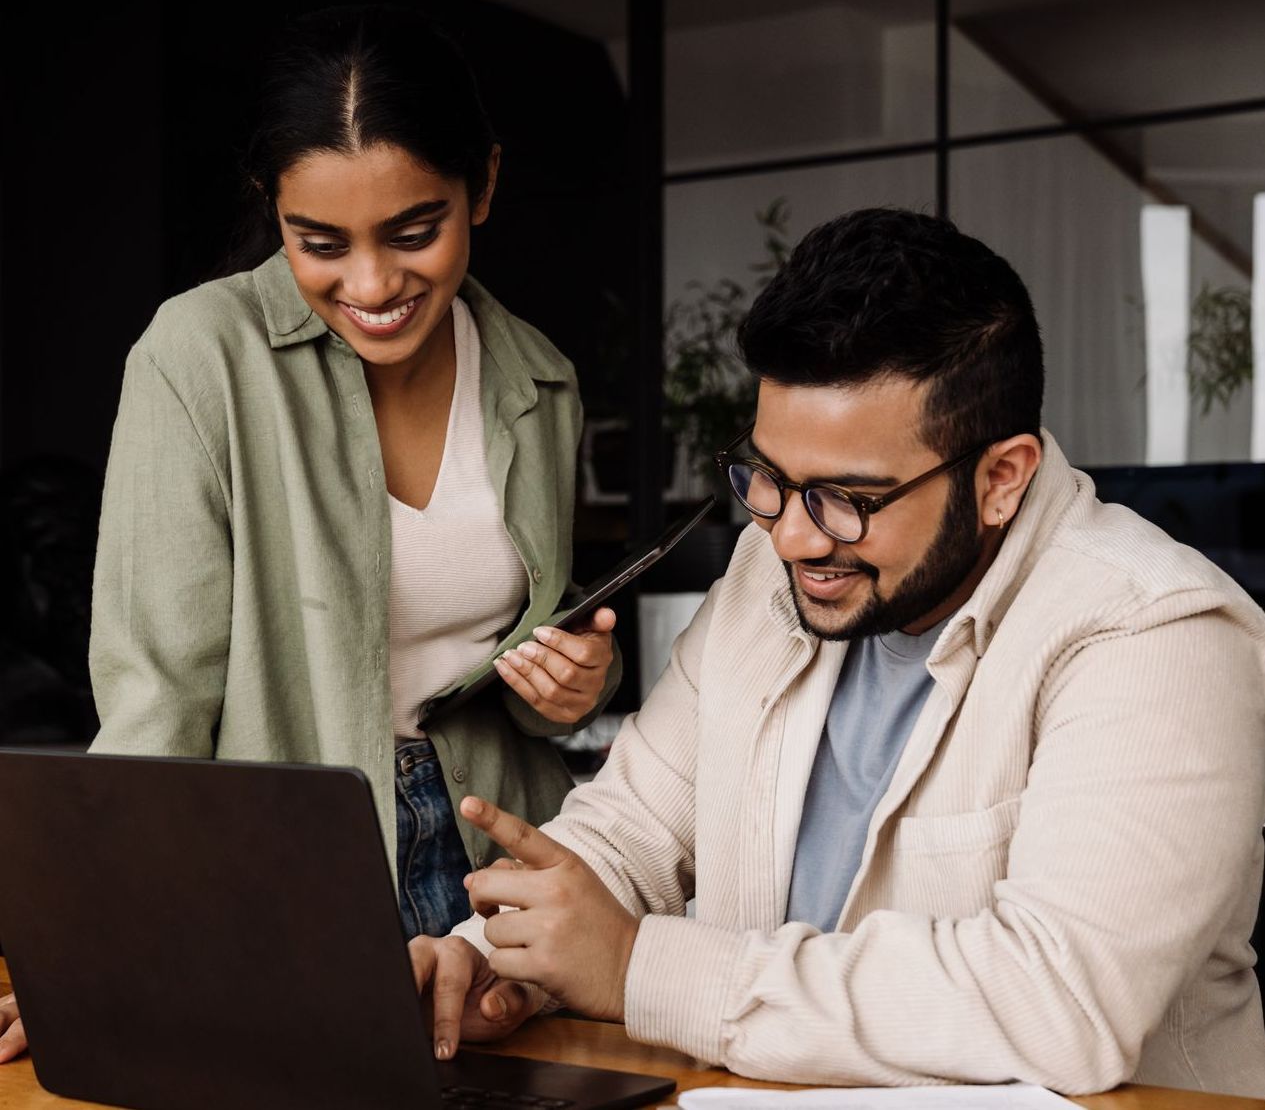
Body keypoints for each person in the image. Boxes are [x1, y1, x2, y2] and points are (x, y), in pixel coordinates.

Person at [407, 207, 1265, 1098]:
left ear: (1000, 478)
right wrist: (493, 959)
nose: (792, 540)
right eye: (769, 481)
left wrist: (639, 971)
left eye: (847, 498)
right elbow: (632, 832)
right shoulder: (771, 571)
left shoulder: (1157, 634)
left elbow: (1060, 1001)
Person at [0, 2, 620, 1062]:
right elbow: (158, 692)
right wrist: (100, 939)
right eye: (319, 244)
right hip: (286, 869)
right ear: (271, 211)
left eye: (414, 231)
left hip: (497, 872)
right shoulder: (197, 360)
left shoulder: (538, 375)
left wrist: (581, 681)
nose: (372, 285)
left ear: (485, 185)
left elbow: (529, 646)